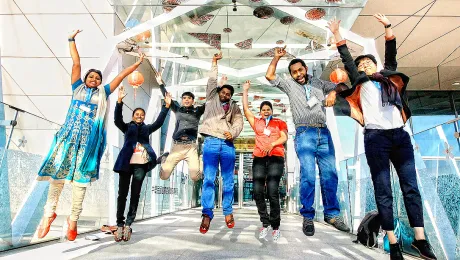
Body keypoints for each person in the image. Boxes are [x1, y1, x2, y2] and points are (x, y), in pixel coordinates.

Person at [327, 14, 437, 260]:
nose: (365, 66)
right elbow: (346, 56)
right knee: (383, 189)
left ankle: (420, 240)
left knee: (411, 187)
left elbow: (391, 53)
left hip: (400, 137)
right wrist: (336, 33)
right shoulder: (360, 82)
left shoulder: (389, 79)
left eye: (368, 63)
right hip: (376, 138)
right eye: (361, 65)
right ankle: (393, 243)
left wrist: (388, 27)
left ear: (376, 65)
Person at [36, 29, 145, 241]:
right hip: (67, 140)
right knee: (57, 177)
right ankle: (49, 215)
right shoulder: (77, 89)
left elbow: (122, 76)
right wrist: (71, 40)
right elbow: (76, 64)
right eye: (91, 76)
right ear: (85, 79)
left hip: (88, 145)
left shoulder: (104, 93)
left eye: (97, 77)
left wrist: (136, 65)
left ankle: (73, 220)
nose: (94, 79)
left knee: (80, 183)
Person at [265, 46, 350, 237]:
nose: (298, 74)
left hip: (324, 132)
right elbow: (270, 76)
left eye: (300, 70)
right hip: (304, 133)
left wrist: (333, 92)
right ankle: (308, 216)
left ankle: (332, 215)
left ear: (306, 69)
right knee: (308, 175)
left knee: (330, 174)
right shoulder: (288, 85)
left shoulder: (319, 83)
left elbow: (342, 87)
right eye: (294, 72)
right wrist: (276, 57)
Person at [112, 86, 171, 242]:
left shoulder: (147, 128)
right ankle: (119, 223)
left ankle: (129, 224)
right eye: (137, 114)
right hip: (126, 163)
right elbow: (117, 120)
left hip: (141, 164)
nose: (139, 116)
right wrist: (119, 102)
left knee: (135, 195)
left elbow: (158, 122)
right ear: (133, 116)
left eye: (142, 115)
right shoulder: (127, 127)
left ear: (144, 117)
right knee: (122, 195)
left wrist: (166, 107)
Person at [198, 52, 244, 234]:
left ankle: (228, 211)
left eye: (228, 94)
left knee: (228, 180)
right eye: (223, 92)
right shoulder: (211, 99)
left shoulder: (235, 107)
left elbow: (239, 123)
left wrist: (231, 133)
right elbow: (211, 81)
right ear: (219, 92)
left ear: (231, 96)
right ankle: (207, 213)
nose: (225, 95)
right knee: (209, 178)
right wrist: (214, 62)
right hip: (209, 141)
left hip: (227, 144)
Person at [242, 80, 288, 242]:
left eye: (268, 109)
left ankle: (275, 227)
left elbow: (284, 137)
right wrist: (245, 91)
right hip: (259, 158)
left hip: (276, 157)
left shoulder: (279, 122)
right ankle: (265, 222)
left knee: (272, 191)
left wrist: (272, 144)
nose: (266, 111)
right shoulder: (257, 123)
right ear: (260, 111)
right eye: (263, 109)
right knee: (257, 191)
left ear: (272, 111)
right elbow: (246, 109)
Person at [154, 70, 205, 182]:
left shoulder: (198, 111)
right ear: (182, 100)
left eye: (189, 98)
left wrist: (219, 86)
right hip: (176, 146)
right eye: (184, 98)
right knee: (163, 176)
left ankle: (201, 158)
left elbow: (210, 102)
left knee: (195, 177)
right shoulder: (177, 108)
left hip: (190, 148)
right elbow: (166, 97)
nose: (186, 100)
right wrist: (160, 83)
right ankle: (164, 157)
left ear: (193, 101)